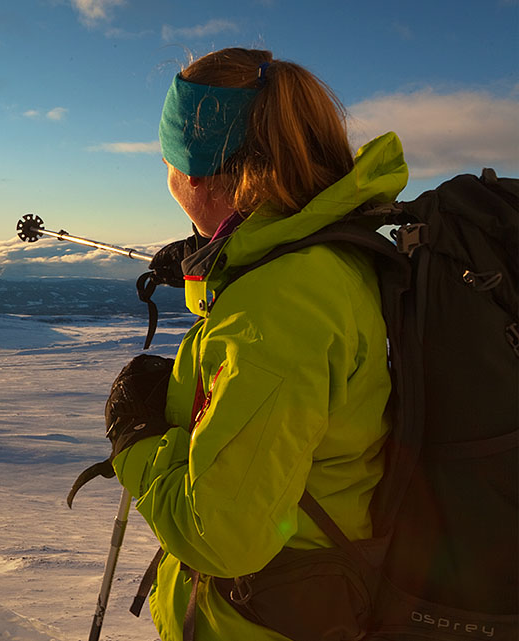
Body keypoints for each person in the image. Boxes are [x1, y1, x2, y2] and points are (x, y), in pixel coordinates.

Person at [103, 47, 407, 640]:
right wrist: (212, 270)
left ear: (194, 174)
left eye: (168, 160)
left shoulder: (278, 303)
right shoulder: (327, 253)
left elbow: (223, 536)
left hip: (264, 621)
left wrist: (135, 440)